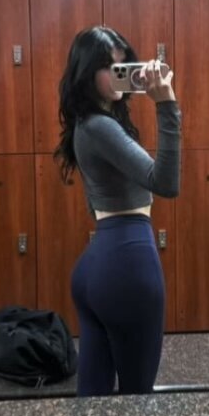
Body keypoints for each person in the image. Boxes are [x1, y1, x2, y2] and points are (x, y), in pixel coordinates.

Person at [53, 26, 182, 397]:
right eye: (109, 67)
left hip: (99, 265)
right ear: (86, 72)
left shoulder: (88, 125)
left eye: (123, 66)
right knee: (136, 400)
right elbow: (166, 183)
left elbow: (97, 203)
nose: (118, 74)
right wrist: (167, 105)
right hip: (128, 267)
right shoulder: (99, 127)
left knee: (93, 401)